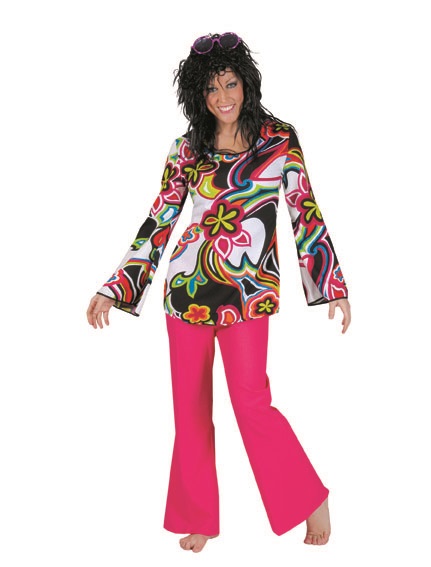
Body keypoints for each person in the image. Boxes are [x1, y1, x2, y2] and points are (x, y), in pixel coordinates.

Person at [87, 32, 351, 553]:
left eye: (230, 84)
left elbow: (304, 211)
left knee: (252, 403)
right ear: (198, 95)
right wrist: (117, 286)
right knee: (189, 410)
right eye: (211, 89)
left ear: (246, 84)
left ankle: (309, 498)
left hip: (248, 294)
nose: (222, 97)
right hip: (186, 292)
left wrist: (331, 284)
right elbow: (160, 220)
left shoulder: (279, 140)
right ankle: (199, 516)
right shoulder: (187, 149)